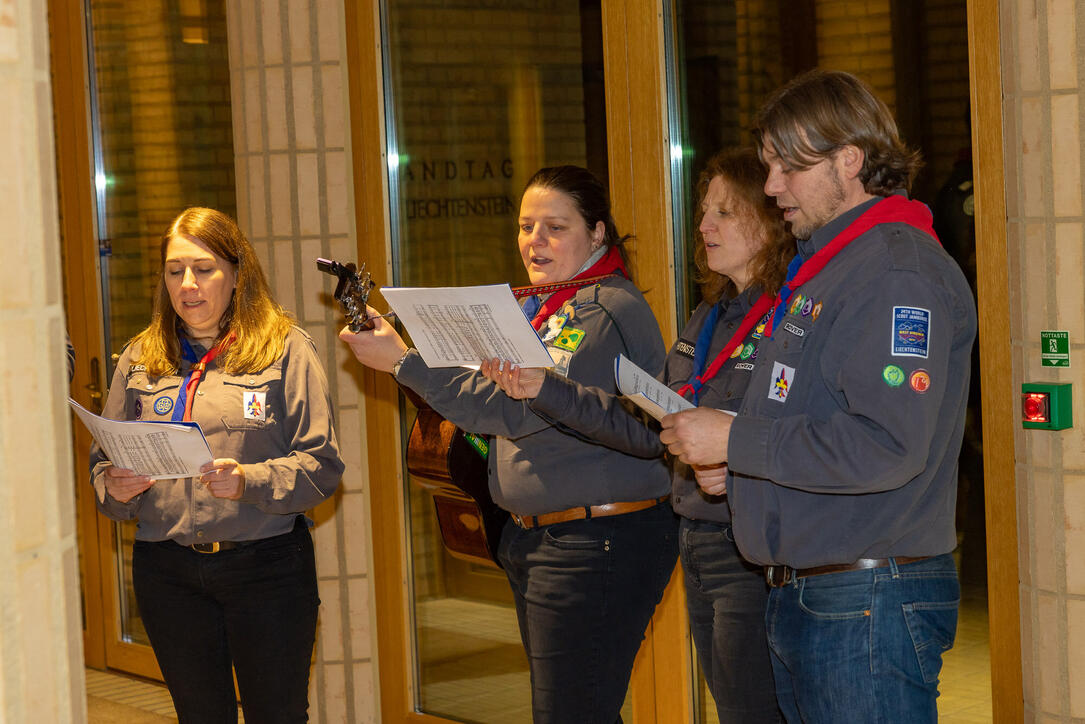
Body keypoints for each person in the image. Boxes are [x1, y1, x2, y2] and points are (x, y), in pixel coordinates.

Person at [659, 69, 978, 723]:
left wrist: (735, 439)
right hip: (813, 590)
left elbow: (885, 445)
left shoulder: (893, 271)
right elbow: (805, 417)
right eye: (769, 166)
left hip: (865, 595)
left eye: (786, 168)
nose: (772, 186)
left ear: (849, 160)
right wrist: (740, 464)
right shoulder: (826, 266)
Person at [340, 166, 677, 724]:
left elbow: (505, 409)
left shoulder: (603, 310)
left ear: (597, 233)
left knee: (572, 712)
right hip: (542, 539)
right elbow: (481, 394)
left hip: (597, 540)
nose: (534, 241)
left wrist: (402, 361)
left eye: (554, 227)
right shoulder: (544, 305)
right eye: (526, 226)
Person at [483, 149, 790, 723]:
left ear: (769, 219)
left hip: (750, 541)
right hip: (699, 532)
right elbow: (651, 421)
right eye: (704, 211)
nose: (703, 226)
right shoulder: (711, 314)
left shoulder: (788, 316)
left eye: (723, 211)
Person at [90, 207, 344, 724]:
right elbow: (103, 461)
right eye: (174, 270)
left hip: (266, 567)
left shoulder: (284, 349)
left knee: (277, 713)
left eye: (204, 269)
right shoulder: (140, 356)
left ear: (236, 273)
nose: (188, 285)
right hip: (167, 570)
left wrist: (248, 480)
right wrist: (114, 486)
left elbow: (322, 464)